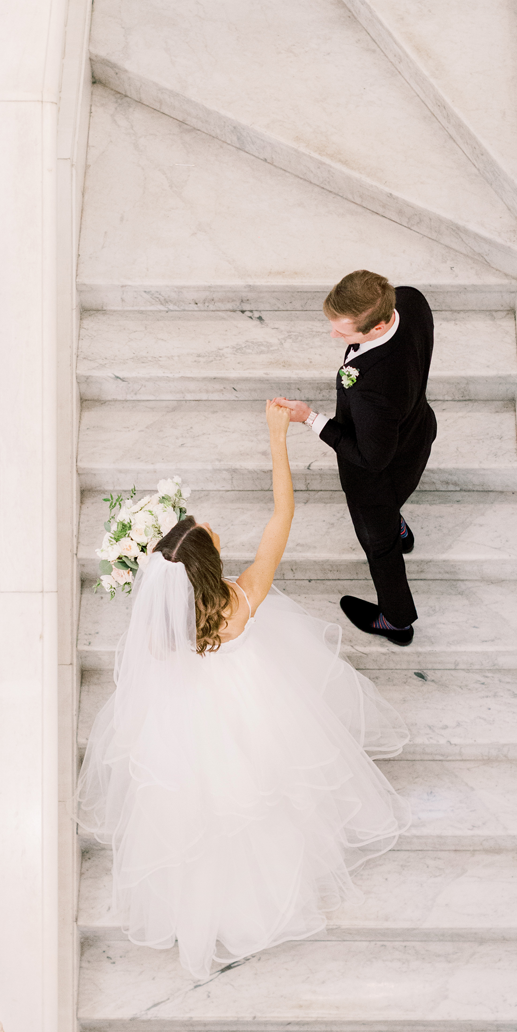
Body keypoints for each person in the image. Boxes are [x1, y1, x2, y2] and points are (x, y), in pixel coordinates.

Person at [76, 401, 410, 980]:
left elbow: (159, 638)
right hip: (253, 702)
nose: (208, 525)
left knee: (204, 806)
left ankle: (213, 901)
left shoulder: (164, 627)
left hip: (188, 718)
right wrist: (277, 437)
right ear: (210, 562)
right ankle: (265, 890)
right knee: (268, 790)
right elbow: (284, 513)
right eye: (206, 530)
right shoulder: (243, 599)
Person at [275, 270, 437, 647]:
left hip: (377, 475)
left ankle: (396, 620)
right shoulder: (411, 300)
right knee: (394, 506)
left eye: (345, 332)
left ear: (378, 325)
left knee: (379, 547)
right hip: (416, 433)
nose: (335, 336)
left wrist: (310, 418)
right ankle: (398, 526)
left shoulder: (373, 389)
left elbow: (371, 457)